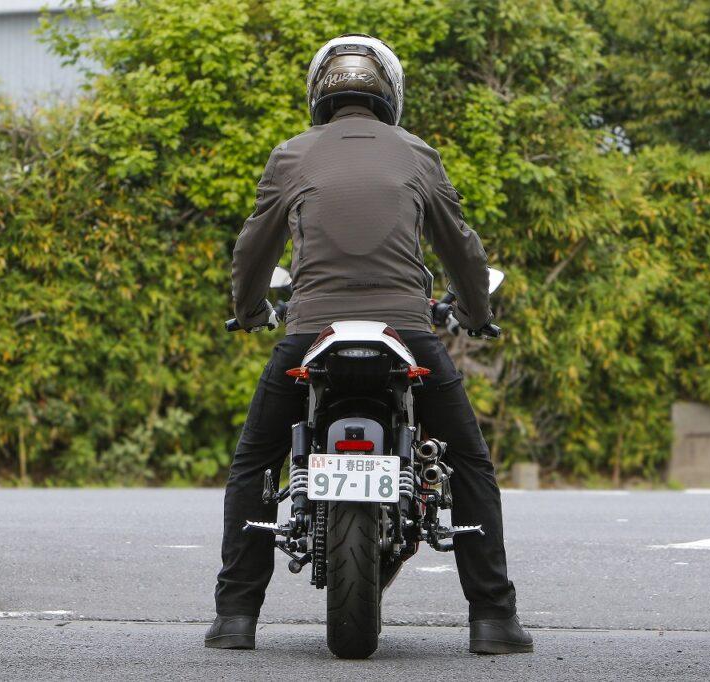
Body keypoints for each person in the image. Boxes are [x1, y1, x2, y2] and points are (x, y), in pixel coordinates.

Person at [206, 34, 532, 655]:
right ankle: (492, 618)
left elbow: (253, 248)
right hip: (406, 330)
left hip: (312, 332)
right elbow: (461, 247)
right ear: (390, 92)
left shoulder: (291, 155)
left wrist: (249, 312)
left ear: (319, 93)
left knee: (256, 460)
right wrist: (476, 312)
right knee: (469, 461)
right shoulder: (417, 154)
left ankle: (235, 617)